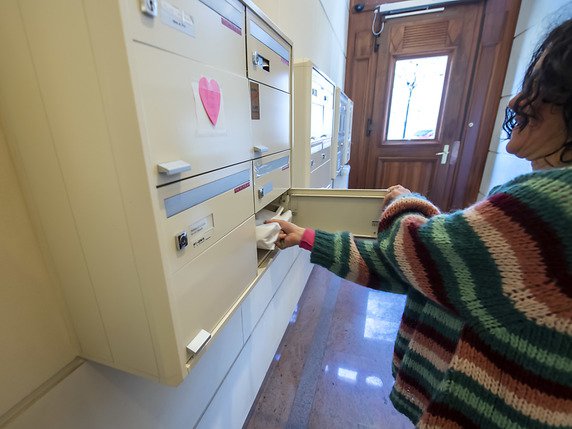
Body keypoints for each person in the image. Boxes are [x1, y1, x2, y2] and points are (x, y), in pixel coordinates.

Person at [269, 19, 572, 428]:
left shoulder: (551, 211)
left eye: (539, 91)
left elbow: (416, 252)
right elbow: (425, 271)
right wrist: (306, 237)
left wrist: (404, 202)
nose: (518, 106)